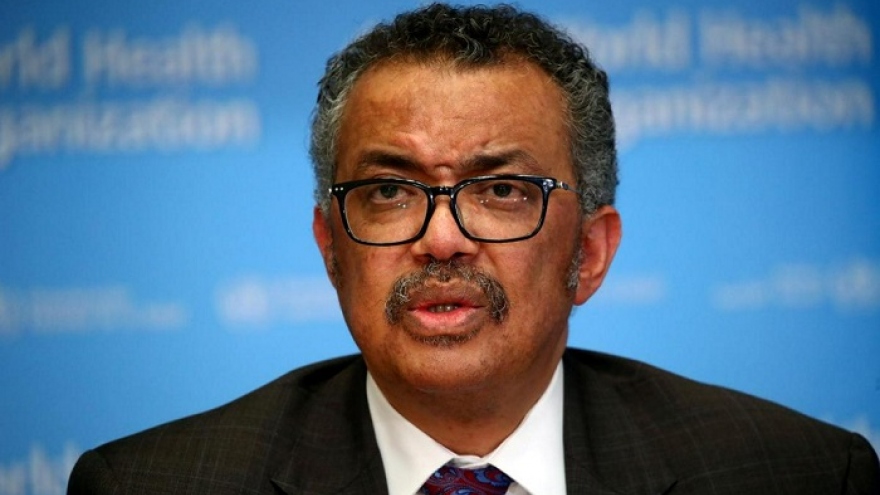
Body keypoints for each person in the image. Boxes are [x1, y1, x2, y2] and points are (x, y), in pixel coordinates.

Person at [68, 3, 879, 494]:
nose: (441, 237)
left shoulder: (795, 473)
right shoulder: (151, 484)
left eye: (502, 191)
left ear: (591, 252)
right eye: (390, 192)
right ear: (329, 247)